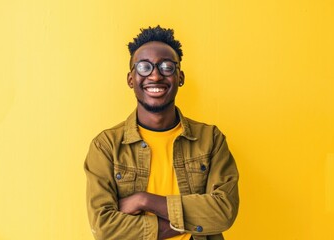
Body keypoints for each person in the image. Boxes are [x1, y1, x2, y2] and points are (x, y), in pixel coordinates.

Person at [84, 25, 239, 240]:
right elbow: (103, 228)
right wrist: (191, 221)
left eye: (166, 67)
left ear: (180, 77)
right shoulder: (106, 146)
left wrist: (143, 200)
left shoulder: (210, 139)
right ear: (131, 79)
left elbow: (223, 212)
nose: (155, 76)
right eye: (144, 67)